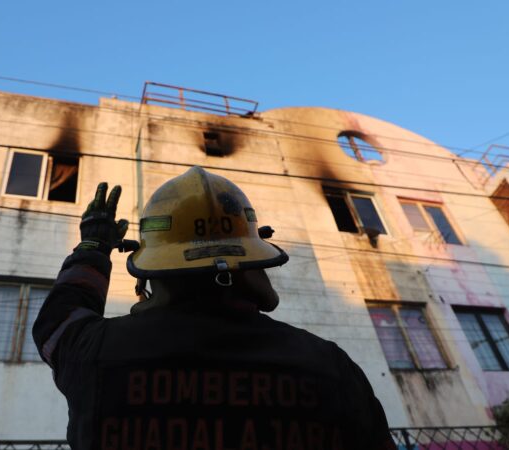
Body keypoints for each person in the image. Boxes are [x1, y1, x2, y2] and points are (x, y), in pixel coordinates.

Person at [33, 166, 395, 450]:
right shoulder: (328, 366)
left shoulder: (95, 352)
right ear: (252, 262)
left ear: (153, 270)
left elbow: (58, 323)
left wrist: (93, 248)